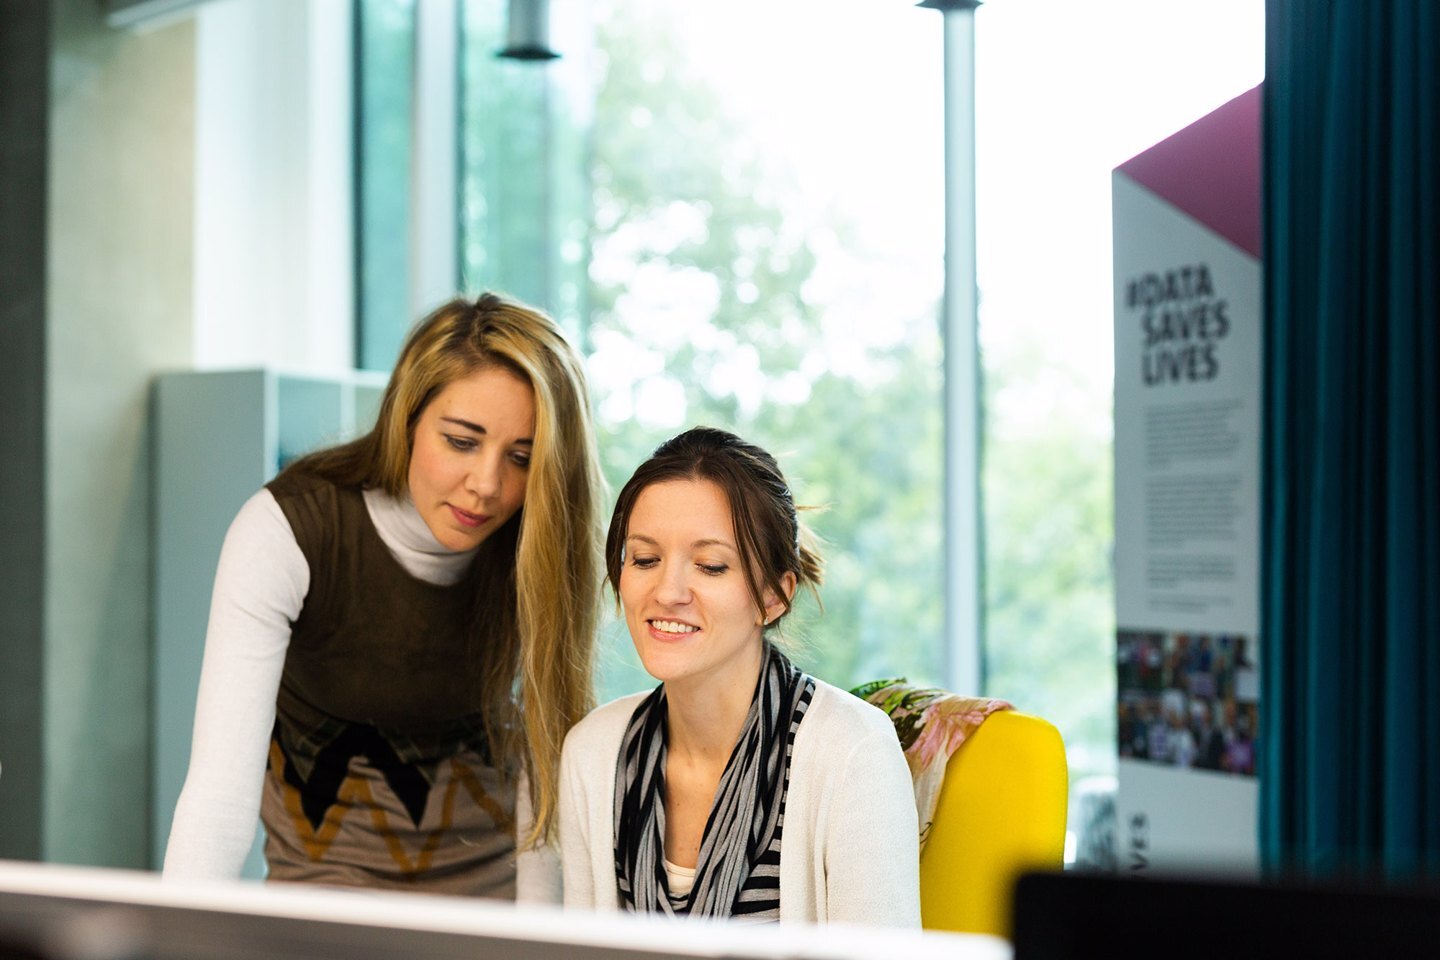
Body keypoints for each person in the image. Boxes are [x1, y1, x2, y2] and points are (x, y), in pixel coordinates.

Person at [163, 293, 603, 898]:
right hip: (325, 903)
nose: (487, 486)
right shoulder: (285, 531)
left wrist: (535, 941)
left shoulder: (541, 537)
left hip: (490, 904)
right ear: (407, 417)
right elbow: (218, 795)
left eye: (522, 458)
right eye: (461, 441)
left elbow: (544, 803)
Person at [558, 427, 920, 925]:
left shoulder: (854, 753)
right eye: (645, 559)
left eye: (709, 566)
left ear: (774, 595)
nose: (667, 591)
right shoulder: (592, 753)